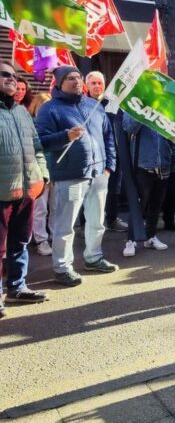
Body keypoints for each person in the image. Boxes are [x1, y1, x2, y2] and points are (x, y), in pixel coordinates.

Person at [36, 65, 118, 287]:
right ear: (59, 83)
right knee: (65, 225)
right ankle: (62, 267)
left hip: (99, 173)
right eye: (70, 78)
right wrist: (65, 136)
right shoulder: (49, 109)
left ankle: (94, 257)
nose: (75, 81)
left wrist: (109, 165)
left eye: (78, 77)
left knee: (96, 220)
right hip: (69, 175)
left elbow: (108, 137)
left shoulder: (94, 106)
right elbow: (40, 141)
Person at [0, 61, 49, 316]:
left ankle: (17, 287)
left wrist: (43, 175)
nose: (11, 79)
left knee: (20, 241)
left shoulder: (21, 112)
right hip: (2, 192)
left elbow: (37, 147)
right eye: (5, 74)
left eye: (14, 75)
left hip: (27, 190)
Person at [121, 109, 175, 256]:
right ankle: (131, 240)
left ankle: (150, 237)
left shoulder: (165, 109)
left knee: (156, 204)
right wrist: (144, 111)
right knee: (139, 204)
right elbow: (129, 127)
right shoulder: (134, 107)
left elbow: (173, 138)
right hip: (143, 164)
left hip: (164, 164)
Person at [85, 71, 128, 233]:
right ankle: (85, 224)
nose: (97, 86)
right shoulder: (82, 103)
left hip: (112, 154)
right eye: (93, 83)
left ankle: (111, 219)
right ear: (87, 85)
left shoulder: (113, 103)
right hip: (92, 156)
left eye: (99, 83)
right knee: (89, 190)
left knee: (114, 189)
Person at [27, 93, 54, 256]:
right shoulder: (30, 124)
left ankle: (53, 235)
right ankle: (41, 240)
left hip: (56, 170)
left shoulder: (54, 123)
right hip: (39, 172)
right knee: (40, 208)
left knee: (56, 207)